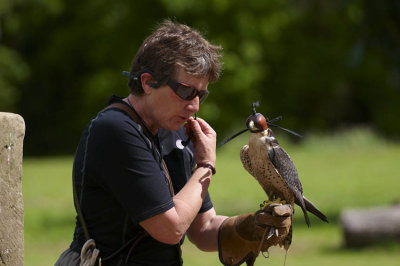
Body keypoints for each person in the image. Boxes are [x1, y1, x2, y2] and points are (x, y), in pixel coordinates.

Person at [55, 20, 292, 266]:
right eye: (186, 91)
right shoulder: (115, 129)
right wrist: (206, 164)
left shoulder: (175, 132)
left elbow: (203, 228)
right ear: (147, 82)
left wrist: (253, 227)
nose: (195, 105)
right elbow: (171, 228)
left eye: (201, 94)